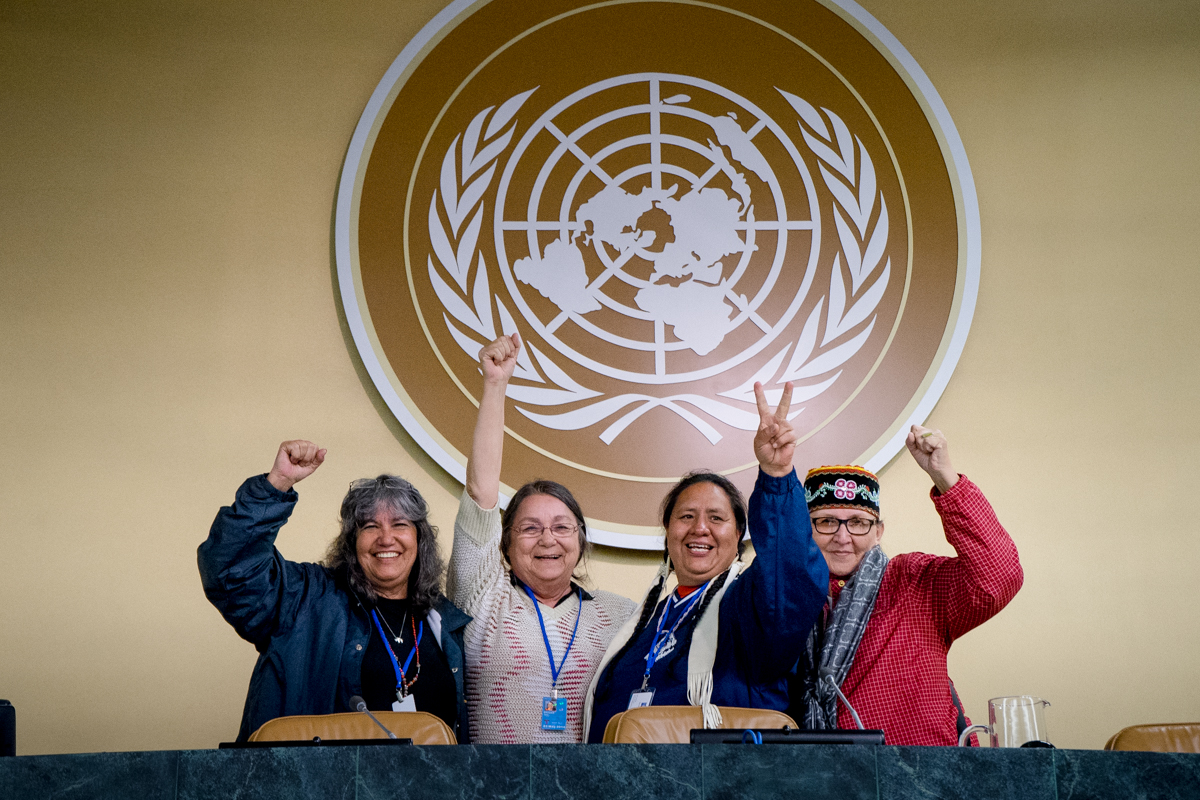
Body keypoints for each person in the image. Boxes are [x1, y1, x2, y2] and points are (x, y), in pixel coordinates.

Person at [582, 380, 829, 742]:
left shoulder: (750, 607)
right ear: (667, 531)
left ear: (739, 535)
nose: (700, 529)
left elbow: (789, 574)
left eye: (716, 518)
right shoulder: (644, 621)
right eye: (686, 517)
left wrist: (777, 478)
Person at [198, 441, 471, 742]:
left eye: (400, 524)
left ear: (420, 541)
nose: (386, 538)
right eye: (369, 526)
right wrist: (277, 485)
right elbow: (229, 568)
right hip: (320, 787)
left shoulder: (445, 622)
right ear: (352, 543)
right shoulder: (304, 599)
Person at [449, 334, 636, 743]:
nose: (547, 539)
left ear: (581, 540)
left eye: (562, 527)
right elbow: (481, 492)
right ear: (505, 543)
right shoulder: (483, 597)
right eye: (530, 528)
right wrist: (495, 386)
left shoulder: (622, 615)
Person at [788, 426, 1023, 746]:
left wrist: (945, 478)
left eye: (858, 522)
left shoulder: (914, 579)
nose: (842, 537)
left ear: (878, 531)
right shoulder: (783, 598)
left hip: (929, 780)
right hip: (821, 781)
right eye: (827, 521)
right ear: (806, 529)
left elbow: (998, 577)